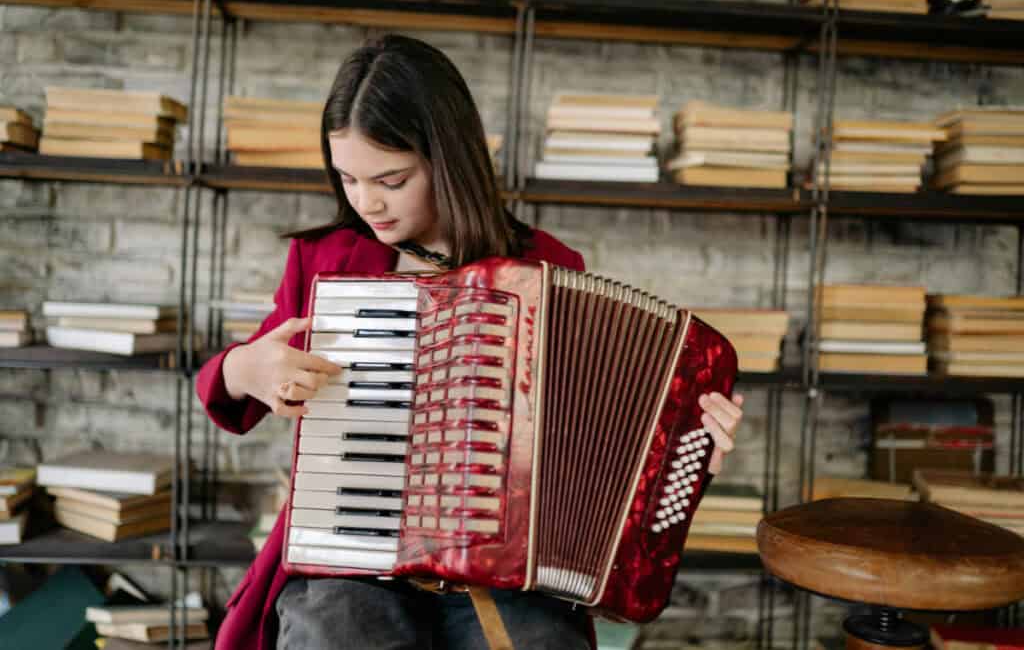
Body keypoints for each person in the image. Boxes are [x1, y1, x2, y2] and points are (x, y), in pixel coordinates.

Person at [196, 34, 746, 650]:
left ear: (448, 158)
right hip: (353, 559)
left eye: (391, 178)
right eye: (347, 177)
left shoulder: (545, 267)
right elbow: (225, 383)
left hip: (506, 572)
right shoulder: (328, 258)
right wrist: (252, 367)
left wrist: (680, 448)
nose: (366, 200)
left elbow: (590, 431)